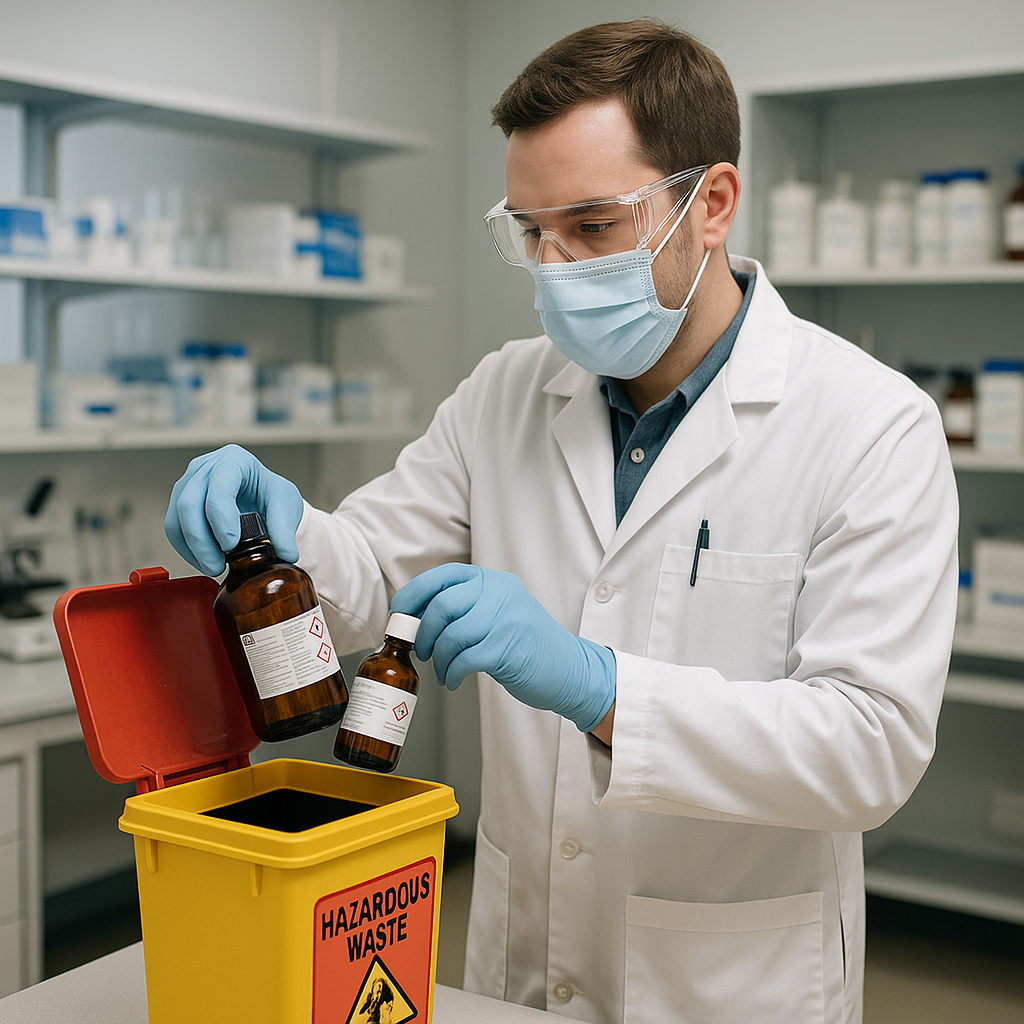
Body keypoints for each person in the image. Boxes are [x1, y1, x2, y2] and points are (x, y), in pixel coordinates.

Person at [165, 20, 958, 1024]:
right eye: (530, 231)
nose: (554, 266)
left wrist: (598, 686)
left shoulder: (869, 424)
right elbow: (364, 570)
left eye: (591, 225)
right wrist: (284, 532)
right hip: (524, 961)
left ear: (710, 204)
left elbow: (866, 747)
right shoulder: (505, 391)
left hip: (728, 981)